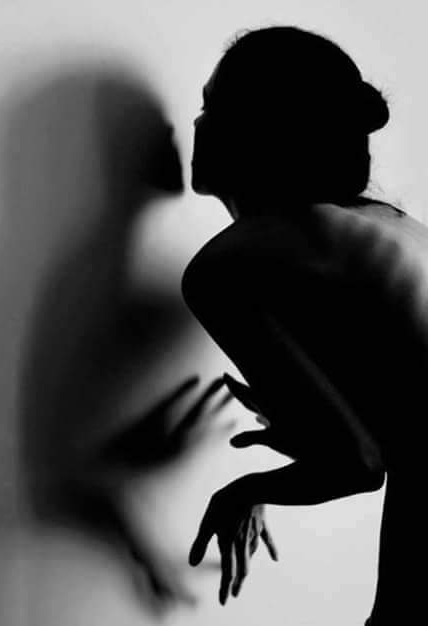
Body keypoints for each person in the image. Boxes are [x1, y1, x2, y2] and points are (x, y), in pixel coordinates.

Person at [182, 26, 428, 624]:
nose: (194, 124)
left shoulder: (227, 265)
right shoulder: (390, 227)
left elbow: (357, 466)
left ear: (261, 132)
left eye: (211, 107)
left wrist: (246, 490)